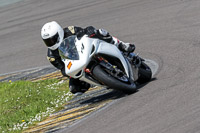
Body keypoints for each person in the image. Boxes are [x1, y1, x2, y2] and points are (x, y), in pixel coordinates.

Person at [41, 21, 135, 94]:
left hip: (84, 50)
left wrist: (89, 31)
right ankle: (98, 80)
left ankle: (121, 44)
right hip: (77, 62)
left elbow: (83, 32)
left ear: (59, 32)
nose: (51, 43)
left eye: (53, 39)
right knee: (74, 88)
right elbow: (62, 68)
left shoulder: (70, 30)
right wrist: (68, 72)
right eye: (48, 41)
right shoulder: (51, 56)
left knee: (99, 32)